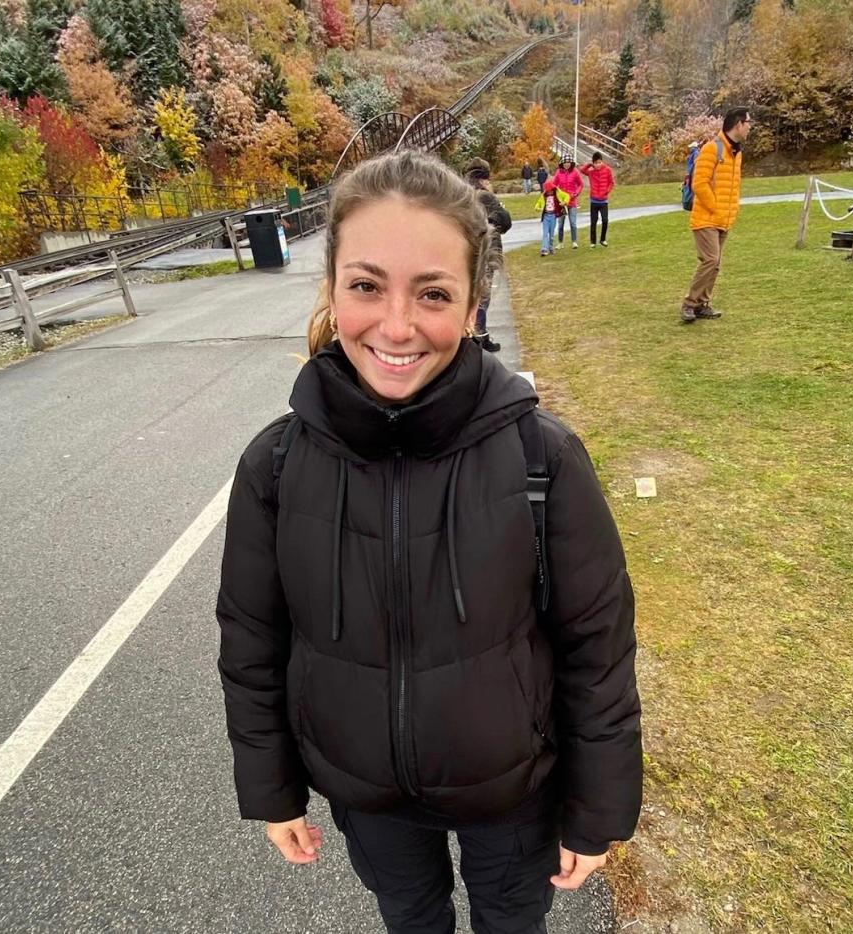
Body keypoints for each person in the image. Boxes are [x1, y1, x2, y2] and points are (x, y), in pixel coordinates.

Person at [217, 149, 642, 934]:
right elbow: (252, 641)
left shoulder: (541, 459)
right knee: (410, 918)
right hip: (368, 796)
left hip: (511, 795)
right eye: (367, 286)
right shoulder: (276, 467)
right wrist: (270, 786)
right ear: (333, 289)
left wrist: (598, 807)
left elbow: (597, 647)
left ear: (476, 302)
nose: (398, 325)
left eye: (433, 293)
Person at [681, 108, 750, 324]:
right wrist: (716, 207)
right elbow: (699, 183)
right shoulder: (712, 149)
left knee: (715, 262)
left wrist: (732, 209)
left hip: (724, 219)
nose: (750, 127)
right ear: (738, 124)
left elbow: (734, 185)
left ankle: (702, 304)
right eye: (748, 122)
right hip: (706, 218)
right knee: (710, 259)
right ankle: (690, 304)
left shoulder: (736, 153)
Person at [463, 158, 511, 353]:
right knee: (482, 296)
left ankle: (474, 334)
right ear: (484, 177)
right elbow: (506, 221)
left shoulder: (461, 195)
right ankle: (479, 337)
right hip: (486, 251)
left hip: (466, 251)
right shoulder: (485, 196)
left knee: (470, 293)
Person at [579, 152, 615, 248]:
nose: (598, 165)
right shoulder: (591, 172)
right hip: (594, 201)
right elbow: (581, 170)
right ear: (593, 163)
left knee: (605, 220)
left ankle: (603, 239)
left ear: (602, 162)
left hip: (603, 201)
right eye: (596, 163)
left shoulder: (608, 170)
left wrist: (606, 191)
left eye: (599, 162)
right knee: (593, 222)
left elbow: (611, 183)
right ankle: (593, 241)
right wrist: (589, 164)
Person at [552, 157, 583, 250]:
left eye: (569, 162)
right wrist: (557, 195)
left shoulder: (575, 172)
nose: (567, 164)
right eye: (565, 163)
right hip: (561, 203)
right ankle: (560, 243)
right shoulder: (558, 172)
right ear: (562, 164)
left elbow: (580, 184)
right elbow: (554, 185)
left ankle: (574, 242)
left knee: (573, 223)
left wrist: (576, 193)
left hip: (572, 201)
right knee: (560, 223)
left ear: (571, 163)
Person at [534, 178, 569, 257]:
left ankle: (550, 247)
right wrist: (537, 207)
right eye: (548, 191)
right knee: (545, 233)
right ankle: (544, 249)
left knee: (552, 234)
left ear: (553, 189)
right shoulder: (544, 195)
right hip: (546, 216)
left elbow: (567, 196)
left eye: (551, 190)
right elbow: (538, 203)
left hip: (553, 216)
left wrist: (564, 202)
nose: (550, 192)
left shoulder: (558, 192)